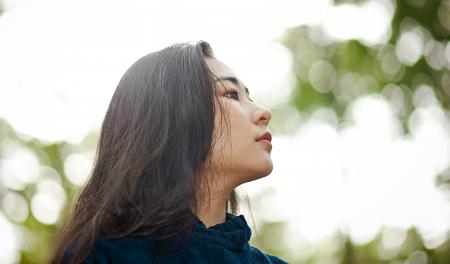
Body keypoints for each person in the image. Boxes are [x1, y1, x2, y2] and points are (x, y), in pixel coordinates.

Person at [49, 41, 288, 264]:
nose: (264, 112)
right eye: (231, 94)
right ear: (173, 120)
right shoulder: (103, 256)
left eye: (250, 96)